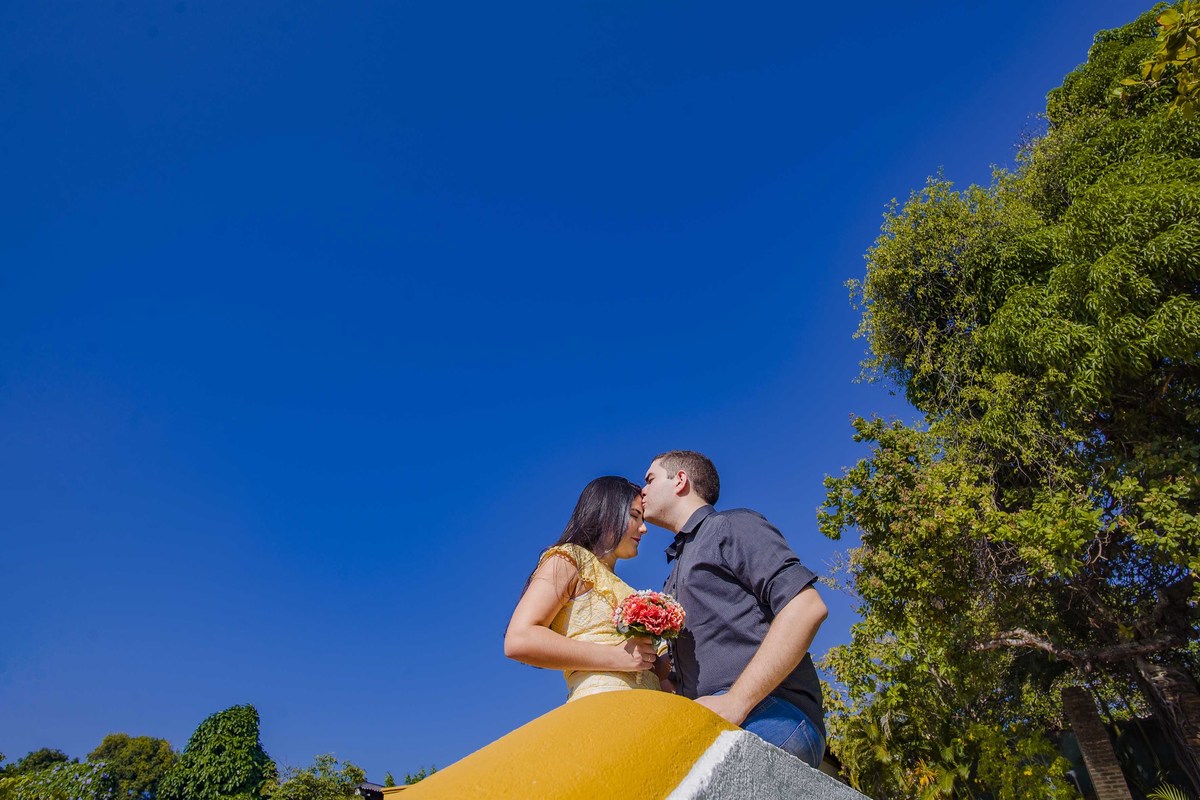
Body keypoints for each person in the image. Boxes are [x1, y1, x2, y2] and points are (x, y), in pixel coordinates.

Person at [641, 450, 829, 768]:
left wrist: (736, 701)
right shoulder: (673, 574)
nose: (641, 490)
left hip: (772, 712)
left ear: (680, 481)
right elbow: (678, 673)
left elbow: (806, 607)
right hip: (713, 723)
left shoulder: (730, 526)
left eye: (650, 479)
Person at [504, 476, 670, 701]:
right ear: (606, 513)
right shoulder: (569, 558)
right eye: (634, 516)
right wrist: (615, 656)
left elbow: (652, 671)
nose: (643, 529)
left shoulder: (631, 591)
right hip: (599, 708)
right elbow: (519, 639)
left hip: (652, 709)